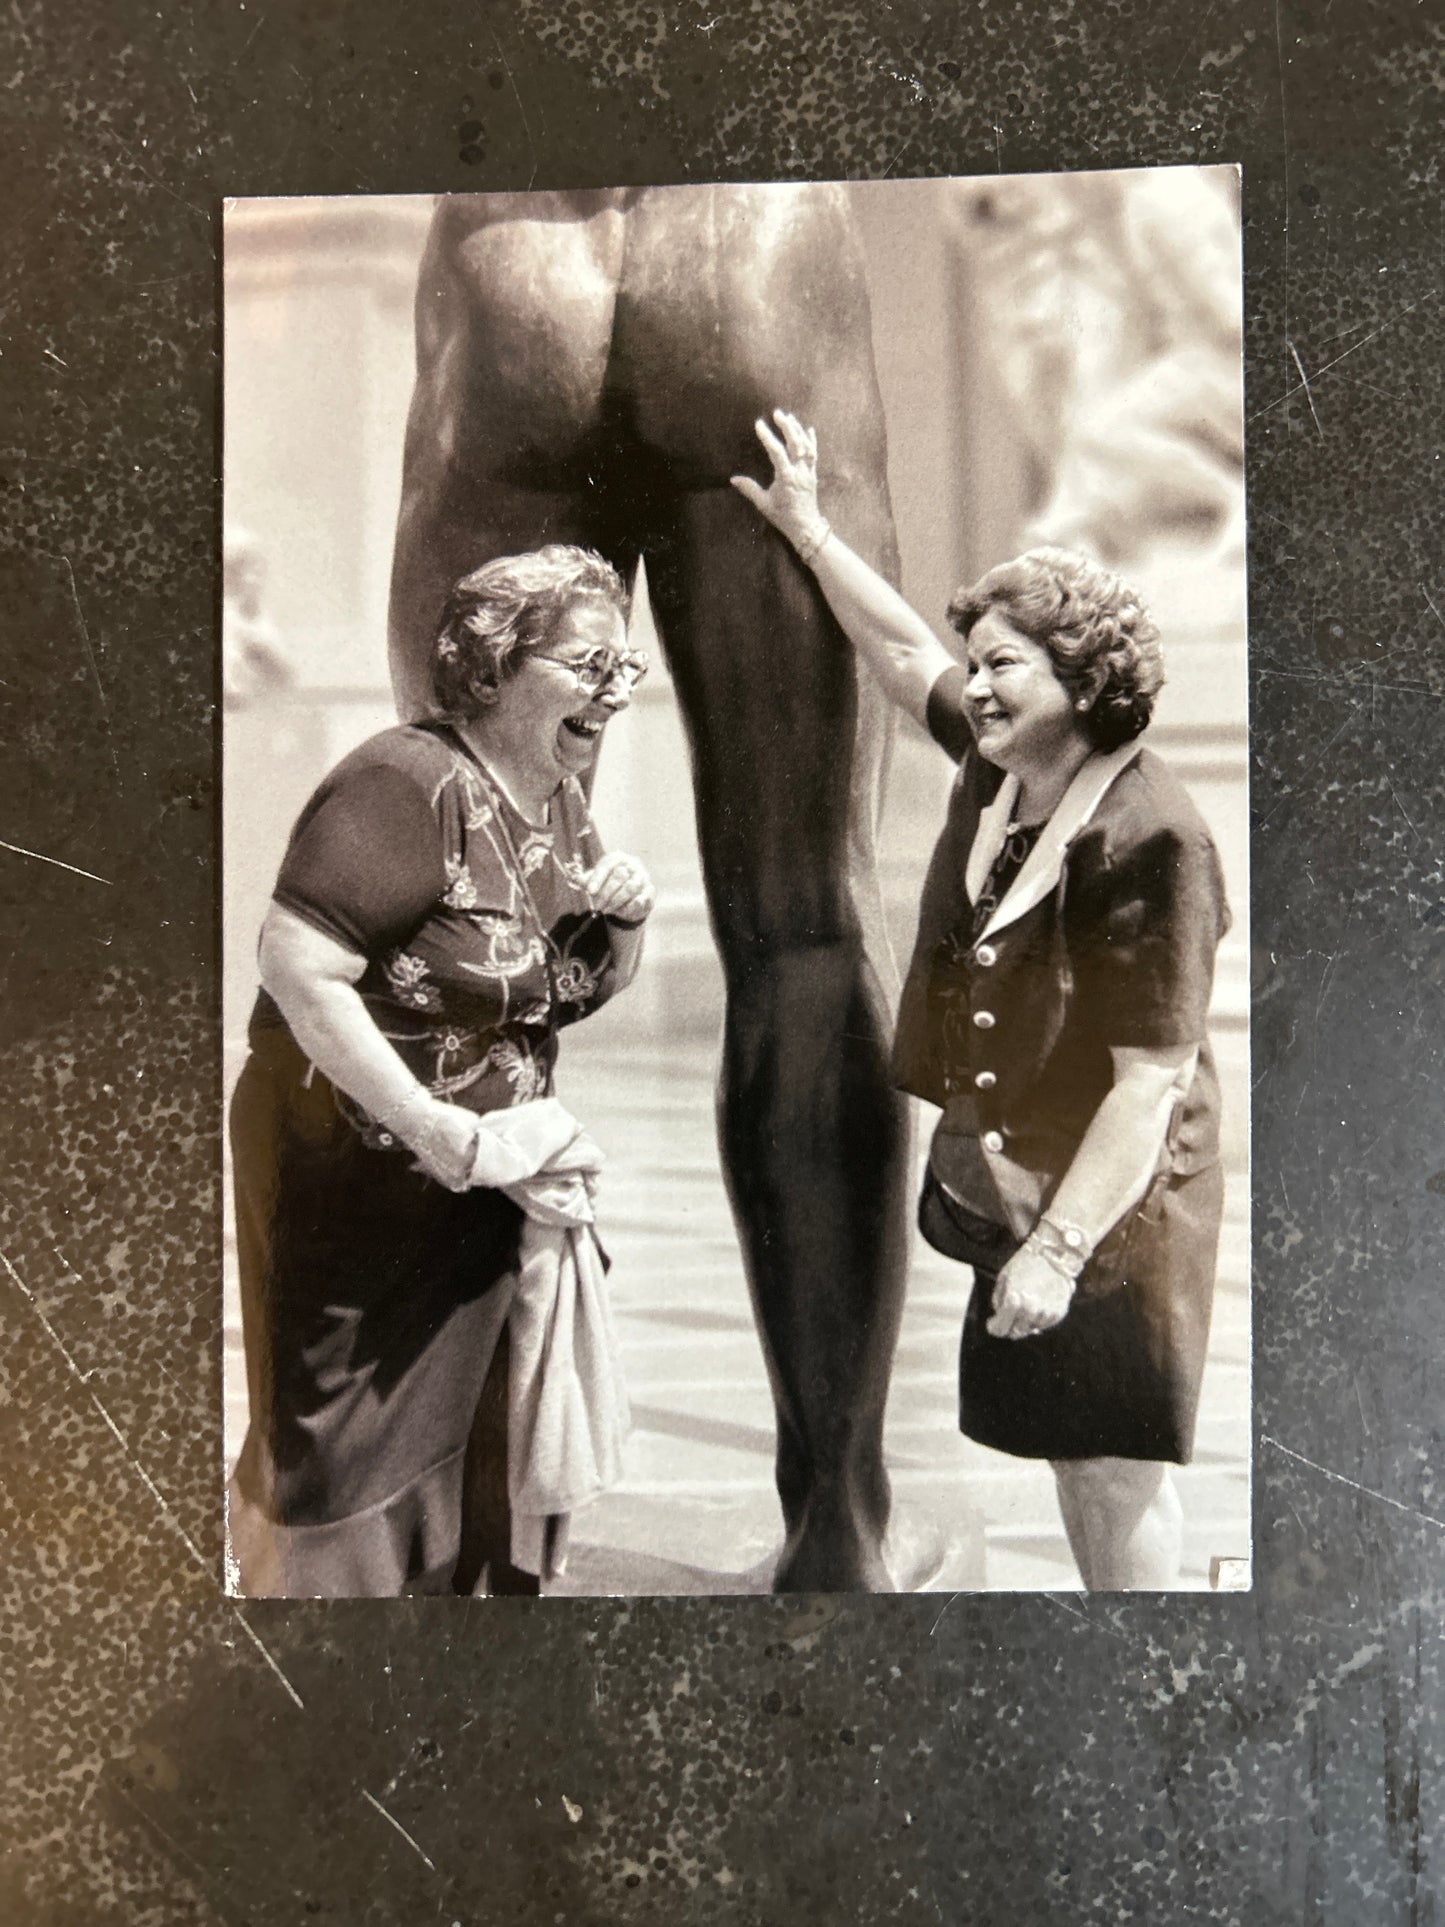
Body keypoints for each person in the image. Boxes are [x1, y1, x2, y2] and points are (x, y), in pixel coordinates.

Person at [389, 187, 915, 1593]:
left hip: (512, 247)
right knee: (807, 928)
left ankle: (461, 1531)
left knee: (448, 922)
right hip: (751, 249)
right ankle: (837, 1528)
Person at [734, 411, 1230, 1590]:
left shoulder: (1150, 834)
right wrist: (808, 531)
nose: (978, 683)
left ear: (1083, 682)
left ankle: (1142, 1664)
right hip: (1025, 1167)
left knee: (1109, 1464)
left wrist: (1056, 1250)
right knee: (1070, 1447)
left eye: (1005, 664)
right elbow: (902, 654)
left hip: (1117, 1195)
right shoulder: (1004, 765)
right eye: (984, 663)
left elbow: (1150, 1083)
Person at [228, 545, 655, 1598]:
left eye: (622, 666)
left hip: (484, 1185)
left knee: (479, 1454)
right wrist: (427, 1124)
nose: (612, 691)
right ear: (492, 666)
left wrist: (628, 922)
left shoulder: (555, 797)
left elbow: (564, 987)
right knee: (344, 1459)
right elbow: (296, 966)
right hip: (358, 1174)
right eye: (587, 665)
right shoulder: (403, 781)